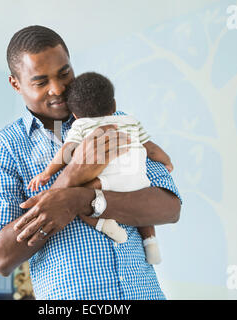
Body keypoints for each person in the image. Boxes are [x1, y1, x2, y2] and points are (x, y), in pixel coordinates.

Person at [0, 25, 182, 300]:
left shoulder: (115, 120)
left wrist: (80, 200)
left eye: (64, 73)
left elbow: (169, 207)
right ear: (16, 84)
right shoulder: (3, 150)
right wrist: (70, 177)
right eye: (40, 81)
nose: (58, 89)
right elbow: (1, 258)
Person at [28, 72, 173, 265]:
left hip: (105, 183)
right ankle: (150, 241)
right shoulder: (130, 121)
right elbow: (152, 149)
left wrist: (46, 173)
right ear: (113, 105)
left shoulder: (81, 125)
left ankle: (106, 226)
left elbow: (66, 152)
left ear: (75, 114)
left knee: (74, 199)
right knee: (143, 215)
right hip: (138, 182)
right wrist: (167, 161)